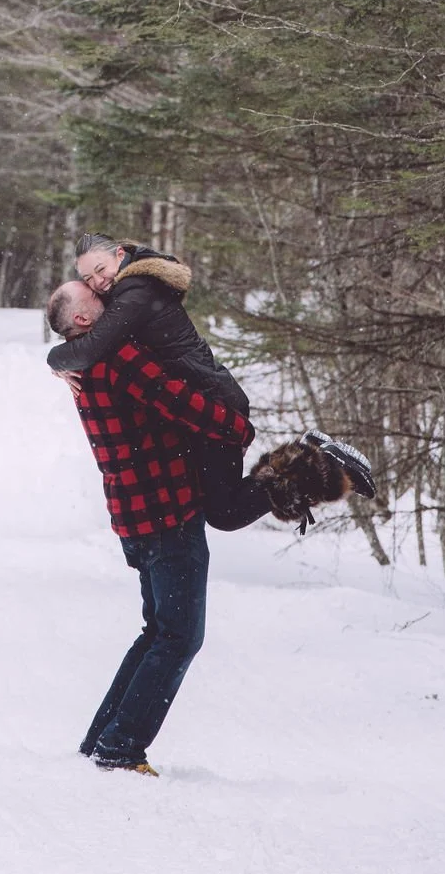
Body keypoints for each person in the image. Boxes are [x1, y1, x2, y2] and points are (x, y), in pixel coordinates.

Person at [46, 277, 368, 777]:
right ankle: (121, 748)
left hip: (137, 514)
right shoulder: (114, 356)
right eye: (96, 301)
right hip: (164, 514)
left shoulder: (82, 361)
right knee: (179, 638)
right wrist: (237, 428)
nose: (107, 301)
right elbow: (174, 398)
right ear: (85, 322)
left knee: (159, 631)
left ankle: (102, 742)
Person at [47, 231, 375, 530]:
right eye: (88, 278)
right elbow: (93, 341)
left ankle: (323, 462)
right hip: (200, 400)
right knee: (214, 500)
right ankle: (307, 458)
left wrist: (54, 359)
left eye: (100, 269)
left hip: (212, 401)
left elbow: (92, 347)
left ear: (120, 254)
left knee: (224, 512)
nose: (97, 282)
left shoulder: (136, 292)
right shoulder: (129, 289)